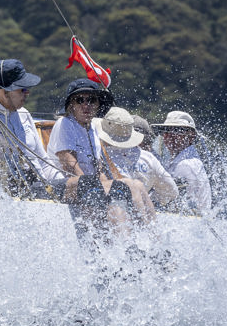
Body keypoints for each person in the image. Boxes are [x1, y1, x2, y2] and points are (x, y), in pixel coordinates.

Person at [47, 79, 153, 232]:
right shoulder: (65, 123)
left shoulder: (93, 129)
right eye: (79, 100)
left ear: (97, 104)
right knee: (115, 191)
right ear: (71, 105)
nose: (86, 105)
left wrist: (109, 184)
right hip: (65, 184)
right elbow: (68, 163)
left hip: (89, 184)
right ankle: (126, 241)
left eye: (91, 100)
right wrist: (99, 187)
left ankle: (151, 241)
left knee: (135, 185)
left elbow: (99, 169)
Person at [0, 58, 68, 197]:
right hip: (13, 195)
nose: (27, 93)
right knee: (86, 185)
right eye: (22, 89)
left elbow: (43, 161)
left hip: (43, 188)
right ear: (4, 92)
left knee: (88, 185)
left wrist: (62, 183)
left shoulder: (24, 114)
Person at [99, 109, 181, 211]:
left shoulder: (98, 156)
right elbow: (171, 191)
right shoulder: (148, 158)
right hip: (140, 214)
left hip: (111, 215)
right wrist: (147, 200)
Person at [154, 110, 212, 213]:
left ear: (191, 137)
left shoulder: (186, 165)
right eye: (166, 131)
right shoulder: (178, 160)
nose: (169, 136)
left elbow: (173, 202)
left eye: (176, 131)